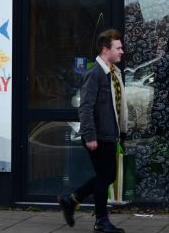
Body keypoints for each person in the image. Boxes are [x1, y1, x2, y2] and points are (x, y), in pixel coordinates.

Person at [58, 29, 128, 233]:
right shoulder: (94, 74)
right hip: (97, 135)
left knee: (106, 176)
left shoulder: (114, 72)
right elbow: (85, 107)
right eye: (118, 48)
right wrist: (89, 136)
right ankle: (101, 221)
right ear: (106, 50)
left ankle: (72, 200)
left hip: (109, 135)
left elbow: (118, 106)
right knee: (105, 176)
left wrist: (121, 133)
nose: (122, 51)